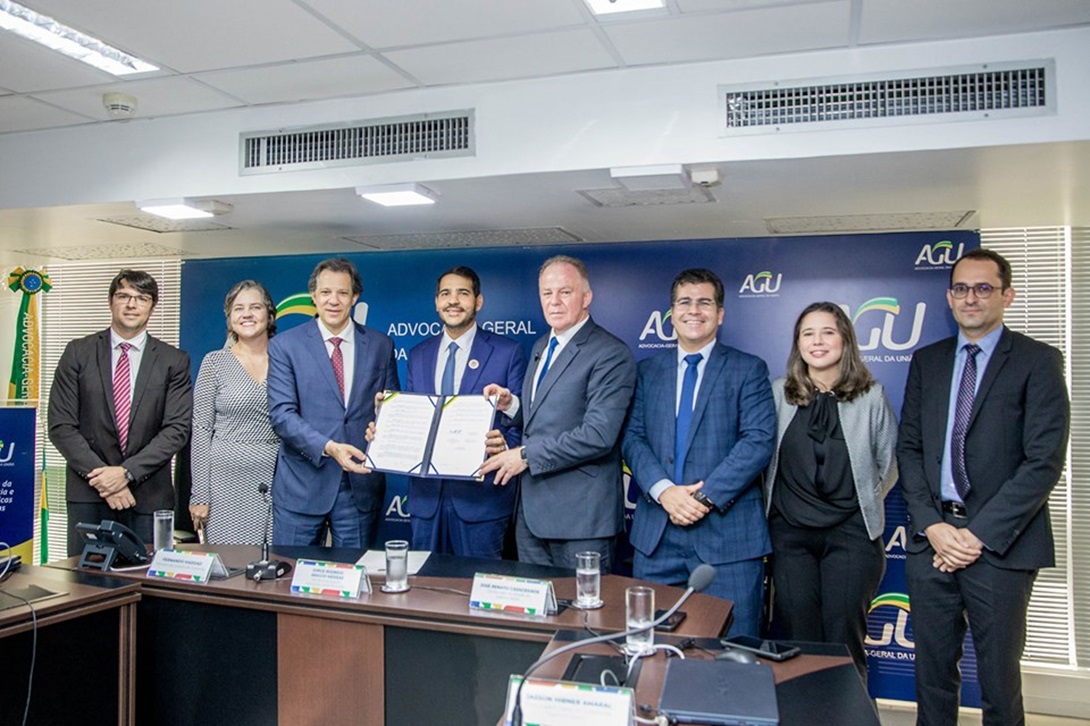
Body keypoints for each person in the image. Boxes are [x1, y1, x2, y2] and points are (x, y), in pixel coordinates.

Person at [898, 248, 1069, 726]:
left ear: (1006, 296)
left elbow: (1043, 462)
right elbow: (909, 448)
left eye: (983, 288)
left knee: (998, 679)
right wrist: (933, 525)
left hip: (1000, 546)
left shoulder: (1037, 361)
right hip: (933, 541)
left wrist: (976, 536)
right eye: (961, 288)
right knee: (931, 675)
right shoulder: (928, 361)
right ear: (949, 297)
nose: (970, 298)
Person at [621, 268, 775, 637]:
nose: (694, 310)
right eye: (684, 302)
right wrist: (665, 493)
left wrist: (702, 499)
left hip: (728, 539)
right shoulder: (646, 372)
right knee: (652, 647)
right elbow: (632, 438)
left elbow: (758, 441)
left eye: (704, 302)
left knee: (733, 652)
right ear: (672, 314)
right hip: (657, 538)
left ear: (720, 314)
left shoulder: (748, 369)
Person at [765, 301, 898, 679]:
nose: (817, 341)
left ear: (845, 340)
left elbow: (889, 464)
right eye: (808, 334)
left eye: (828, 332)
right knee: (798, 642)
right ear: (798, 343)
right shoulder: (778, 393)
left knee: (844, 643)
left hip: (851, 536)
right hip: (790, 536)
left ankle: (847, 710)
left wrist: (864, 500)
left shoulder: (871, 395)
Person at [480, 255, 636, 570]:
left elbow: (598, 435)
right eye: (547, 293)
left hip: (581, 521)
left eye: (565, 292)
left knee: (582, 604)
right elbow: (543, 420)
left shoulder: (610, 353)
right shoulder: (541, 346)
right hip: (531, 517)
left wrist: (524, 455)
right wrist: (512, 406)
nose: (554, 301)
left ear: (586, 297)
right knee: (538, 601)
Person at [49, 269, 193, 555]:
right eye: (123, 296)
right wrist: (106, 481)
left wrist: (126, 473)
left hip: (148, 498)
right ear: (110, 301)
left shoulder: (173, 361)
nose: (131, 304)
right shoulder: (78, 352)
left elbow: (176, 429)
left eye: (142, 298)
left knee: (146, 577)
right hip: (89, 495)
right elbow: (61, 425)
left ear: (152, 306)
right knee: (87, 578)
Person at [266, 258, 399, 548]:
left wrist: (383, 420)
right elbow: (282, 415)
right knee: (290, 572)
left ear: (355, 297)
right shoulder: (285, 346)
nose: (333, 300)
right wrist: (329, 447)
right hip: (302, 485)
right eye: (325, 292)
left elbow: (391, 409)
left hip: (359, 487)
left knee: (355, 573)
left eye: (342, 293)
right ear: (313, 296)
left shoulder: (381, 345)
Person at [402, 266, 527, 558]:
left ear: (478, 301)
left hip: (482, 500)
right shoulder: (418, 354)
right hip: (426, 500)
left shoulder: (507, 351)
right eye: (446, 294)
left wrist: (506, 447)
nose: (453, 301)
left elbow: (524, 418)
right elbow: (412, 419)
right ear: (436, 302)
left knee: (479, 582)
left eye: (463, 293)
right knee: (425, 583)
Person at [189, 280, 281, 544]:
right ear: (229, 318)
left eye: (255, 307)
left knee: (277, 563)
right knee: (231, 563)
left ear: (269, 314)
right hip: (225, 486)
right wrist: (200, 494)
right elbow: (201, 430)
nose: (247, 314)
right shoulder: (214, 362)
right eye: (239, 309)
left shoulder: (287, 359)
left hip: (279, 482)